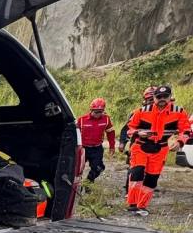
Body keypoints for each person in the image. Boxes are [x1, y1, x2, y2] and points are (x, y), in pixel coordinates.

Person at [126, 85, 191, 215]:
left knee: (152, 178)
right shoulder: (142, 111)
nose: (162, 99)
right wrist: (138, 133)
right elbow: (129, 129)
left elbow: (187, 130)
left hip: (160, 148)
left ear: (170, 97)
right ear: (154, 98)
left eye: (165, 96)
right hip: (141, 146)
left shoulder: (178, 112)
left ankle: (142, 205)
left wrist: (179, 142)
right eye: (158, 97)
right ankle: (132, 204)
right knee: (137, 172)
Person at [76, 98, 115, 182]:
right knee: (77, 170)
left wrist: (112, 146)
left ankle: (88, 182)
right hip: (83, 148)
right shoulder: (82, 120)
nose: (98, 114)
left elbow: (111, 133)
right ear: (91, 110)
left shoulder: (106, 119)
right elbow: (74, 135)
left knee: (99, 168)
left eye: (100, 112)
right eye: (96, 112)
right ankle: (76, 186)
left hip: (97, 149)